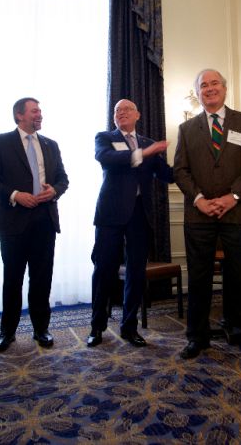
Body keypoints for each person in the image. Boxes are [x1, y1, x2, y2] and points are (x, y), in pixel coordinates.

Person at [174, 68, 241, 363]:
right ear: (198, 93)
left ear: (224, 89)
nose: (210, 88)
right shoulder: (186, 129)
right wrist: (199, 200)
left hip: (237, 213)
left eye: (215, 83)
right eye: (204, 85)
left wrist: (233, 196)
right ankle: (196, 337)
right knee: (198, 278)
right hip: (199, 216)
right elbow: (180, 171)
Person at [0, 97, 68, 352]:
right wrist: (15, 195)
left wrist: (54, 190)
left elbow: (63, 179)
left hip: (45, 220)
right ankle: (7, 332)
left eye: (40, 111)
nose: (39, 115)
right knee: (13, 279)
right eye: (34, 111)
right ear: (19, 115)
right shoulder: (0, 142)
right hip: (13, 221)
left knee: (42, 278)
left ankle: (41, 329)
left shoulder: (51, 144)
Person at [87, 99, 174, 348]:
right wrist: (142, 154)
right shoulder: (105, 137)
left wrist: (188, 162)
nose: (121, 112)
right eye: (117, 110)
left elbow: (165, 174)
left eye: (127, 109)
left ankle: (129, 327)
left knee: (136, 273)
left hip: (140, 215)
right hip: (110, 214)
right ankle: (97, 327)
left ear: (138, 115)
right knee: (104, 271)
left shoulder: (148, 143)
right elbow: (107, 158)